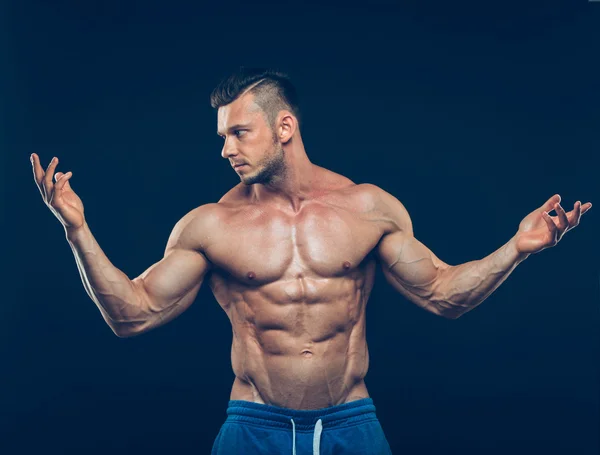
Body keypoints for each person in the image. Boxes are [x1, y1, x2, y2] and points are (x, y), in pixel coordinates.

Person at [31, 67, 592, 455]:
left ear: (284, 127)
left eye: (239, 133)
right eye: (222, 136)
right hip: (253, 426)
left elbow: (443, 294)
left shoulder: (369, 208)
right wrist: (76, 230)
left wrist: (517, 248)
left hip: (352, 421)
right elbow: (133, 313)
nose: (226, 149)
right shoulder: (210, 225)